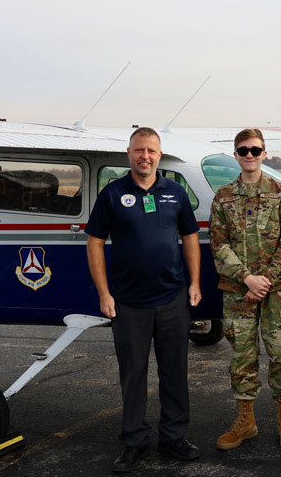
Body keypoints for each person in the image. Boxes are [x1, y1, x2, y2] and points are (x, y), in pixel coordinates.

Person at [86, 127, 201, 473]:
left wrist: (194, 283)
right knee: (133, 374)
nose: (145, 156)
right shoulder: (112, 194)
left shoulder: (175, 192)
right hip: (129, 303)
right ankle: (134, 441)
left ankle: (173, 437)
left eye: (151, 151)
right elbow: (94, 242)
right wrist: (104, 294)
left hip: (172, 298)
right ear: (129, 154)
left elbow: (190, 236)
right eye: (139, 150)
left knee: (175, 372)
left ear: (159, 155)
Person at [209, 129, 281, 451]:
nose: (249, 155)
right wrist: (248, 279)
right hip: (238, 291)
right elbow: (218, 244)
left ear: (264, 153)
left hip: (275, 291)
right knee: (242, 355)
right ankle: (245, 422)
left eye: (255, 150)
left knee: (280, 354)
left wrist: (264, 282)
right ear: (235, 154)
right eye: (243, 150)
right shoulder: (223, 197)